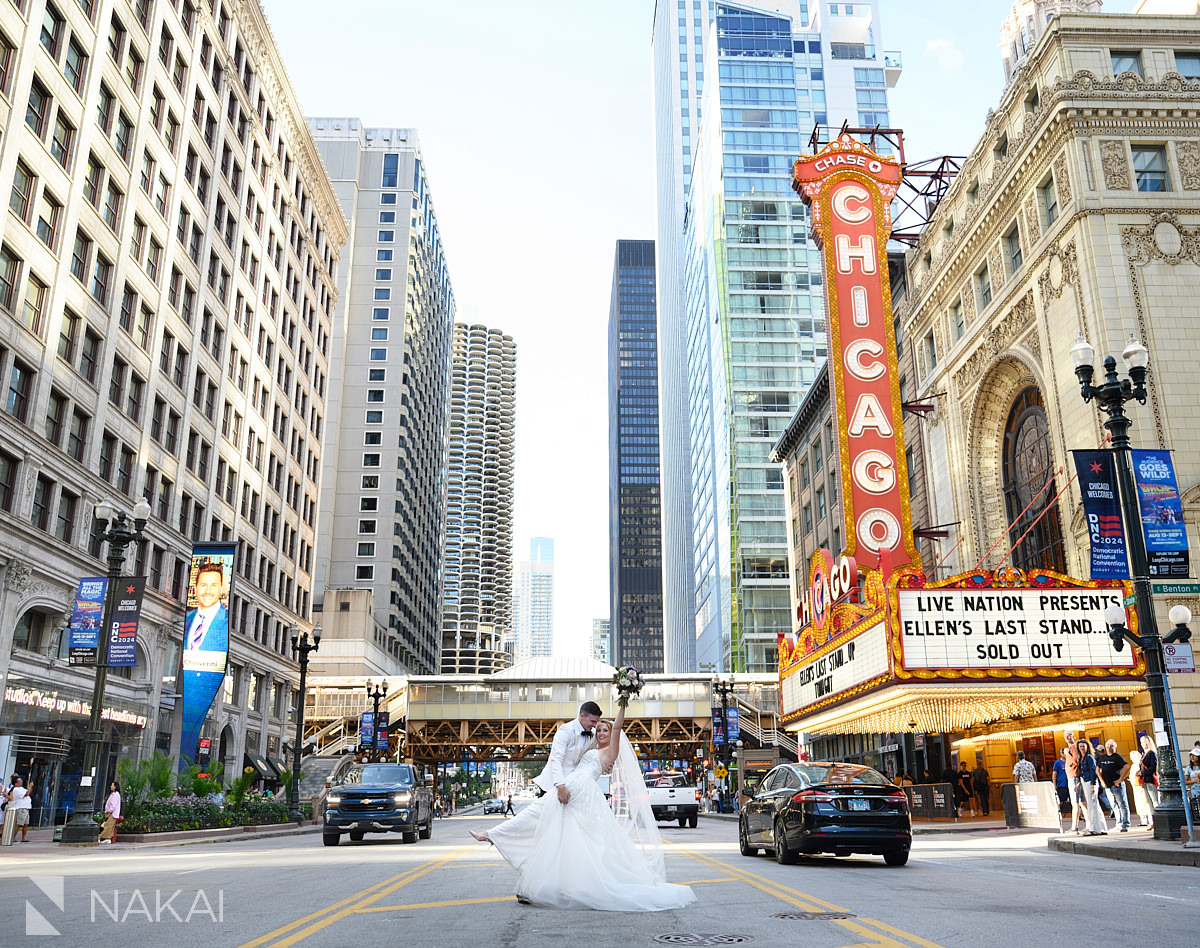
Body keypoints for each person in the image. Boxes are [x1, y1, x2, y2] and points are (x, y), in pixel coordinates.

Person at [472, 702, 696, 911]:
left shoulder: (610, 750)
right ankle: (497, 838)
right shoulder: (588, 742)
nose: (600, 733)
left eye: (604, 730)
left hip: (580, 790)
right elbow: (560, 758)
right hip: (572, 787)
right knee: (558, 831)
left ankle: (493, 835)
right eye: (598, 729)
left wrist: (624, 700)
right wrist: (561, 785)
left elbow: (617, 727)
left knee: (545, 817)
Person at [184, 563, 230, 654]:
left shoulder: (228, 621)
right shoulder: (187, 618)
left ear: (221, 589)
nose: (208, 591)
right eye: (203, 585)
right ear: (195, 589)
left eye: (213, 586)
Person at [1095, 740, 1131, 832]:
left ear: (1115, 747)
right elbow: (1097, 769)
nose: (1109, 747)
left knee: (1122, 804)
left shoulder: (1118, 757)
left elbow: (1126, 767)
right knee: (1113, 805)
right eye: (1107, 745)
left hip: (1117, 785)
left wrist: (1120, 779)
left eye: (1111, 745)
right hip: (1107, 785)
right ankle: (1118, 823)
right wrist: (1102, 781)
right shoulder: (1102, 758)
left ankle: (1125, 824)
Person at [1075, 739, 1107, 835]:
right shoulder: (1082, 758)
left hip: (1090, 782)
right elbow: (1080, 771)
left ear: (1087, 747)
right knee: (1094, 805)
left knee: (1092, 805)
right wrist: (1077, 782)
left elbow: (1093, 771)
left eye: (1083, 746)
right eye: (1080, 746)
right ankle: (1101, 828)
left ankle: (1094, 828)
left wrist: (1093, 784)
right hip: (1084, 782)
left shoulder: (1089, 757)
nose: (1082, 748)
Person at [1062, 731, 1083, 832]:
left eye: (1069, 736)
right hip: (1072, 776)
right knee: (1078, 802)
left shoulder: (1073, 748)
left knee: (1076, 802)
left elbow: (1076, 760)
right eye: (1065, 736)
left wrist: (1067, 754)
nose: (1067, 737)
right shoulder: (1071, 748)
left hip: (1074, 776)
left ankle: (1074, 826)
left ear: (1073, 737)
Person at [1128, 750, 1152, 826]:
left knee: (1146, 803)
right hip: (1136, 788)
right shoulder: (1134, 765)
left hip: (1140, 786)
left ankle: (1150, 820)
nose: (1131, 759)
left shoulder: (1139, 765)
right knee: (1139, 804)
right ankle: (1143, 820)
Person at [6, 775, 33, 842]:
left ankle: (23, 838)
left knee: (25, 824)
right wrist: (30, 786)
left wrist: (30, 788)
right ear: (16, 783)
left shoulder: (21, 788)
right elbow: (26, 794)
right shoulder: (16, 789)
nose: (21, 782)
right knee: (19, 823)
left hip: (26, 808)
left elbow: (28, 792)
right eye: (19, 781)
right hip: (21, 808)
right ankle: (12, 837)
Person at [1138, 734, 1160, 813]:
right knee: (1149, 802)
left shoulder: (1151, 753)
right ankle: (1153, 819)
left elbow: (1153, 768)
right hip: (1145, 780)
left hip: (1150, 780)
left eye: (1145, 742)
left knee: (1155, 800)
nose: (1144, 744)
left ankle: (1157, 817)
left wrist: (1143, 772)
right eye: (1142, 742)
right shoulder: (1144, 754)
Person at [1052, 749, 1070, 815]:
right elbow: (1054, 773)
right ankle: (1057, 813)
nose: (1064, 754)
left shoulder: (1069, 761)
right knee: (1061, 801)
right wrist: (1054, 784)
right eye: (1063, 753)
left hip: (1069, 784)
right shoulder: (1058, 763)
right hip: (1061, 785)